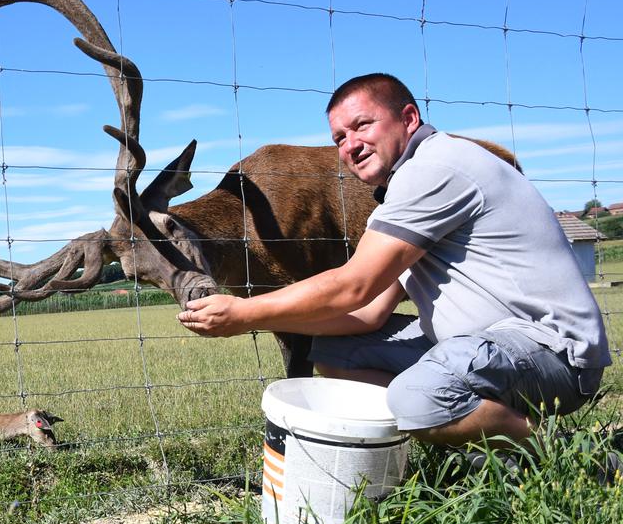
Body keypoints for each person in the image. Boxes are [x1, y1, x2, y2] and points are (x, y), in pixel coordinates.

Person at [177, 72, 611, 449]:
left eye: (362, 125)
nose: (350, 145)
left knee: (417, 397)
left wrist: (246, 312)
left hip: (552, 351)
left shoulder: (435, 169)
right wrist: (274, 320)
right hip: (487, 347)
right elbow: (367, 312)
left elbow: (354, 285)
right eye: (339, 138)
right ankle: (483, 434)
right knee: (334, 357)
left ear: (408, 118)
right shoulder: (405, 191)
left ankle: (559, 454)